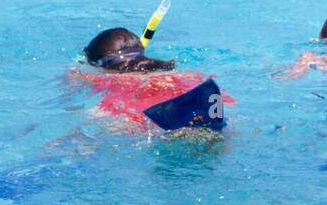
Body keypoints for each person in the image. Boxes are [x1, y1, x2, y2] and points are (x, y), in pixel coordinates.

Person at [72, 27, 233, 131]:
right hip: (200, 108)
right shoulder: (183, 74)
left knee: (88, 120)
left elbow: (71, 94)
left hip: (145, 122)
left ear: (99, 66)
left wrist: (74, 68)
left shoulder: (100, 78)